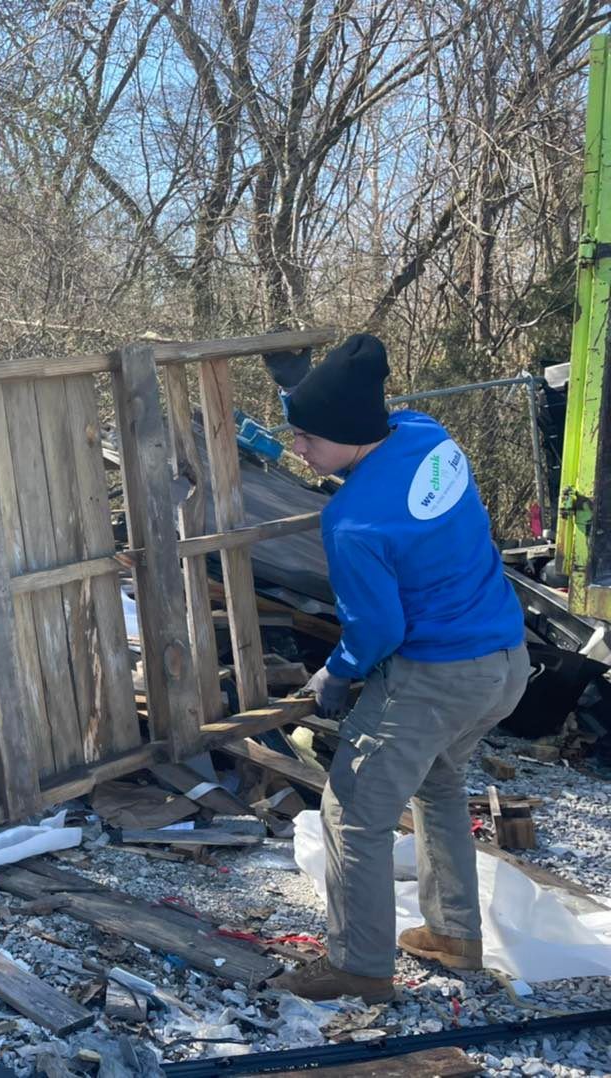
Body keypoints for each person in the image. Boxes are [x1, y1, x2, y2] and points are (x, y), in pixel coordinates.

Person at [267, 333, 529, 1002]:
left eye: (305, 438)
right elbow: (347, 421)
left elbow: (380, 628)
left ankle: (359, 966)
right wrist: (301, 388)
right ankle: (455, 935)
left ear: (344, 435)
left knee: (353, 809)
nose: (297, 449)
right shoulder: (424, 435)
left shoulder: (353, 521)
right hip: (504, 663)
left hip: (437, 676)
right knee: (439, 786)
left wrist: (340, 673)